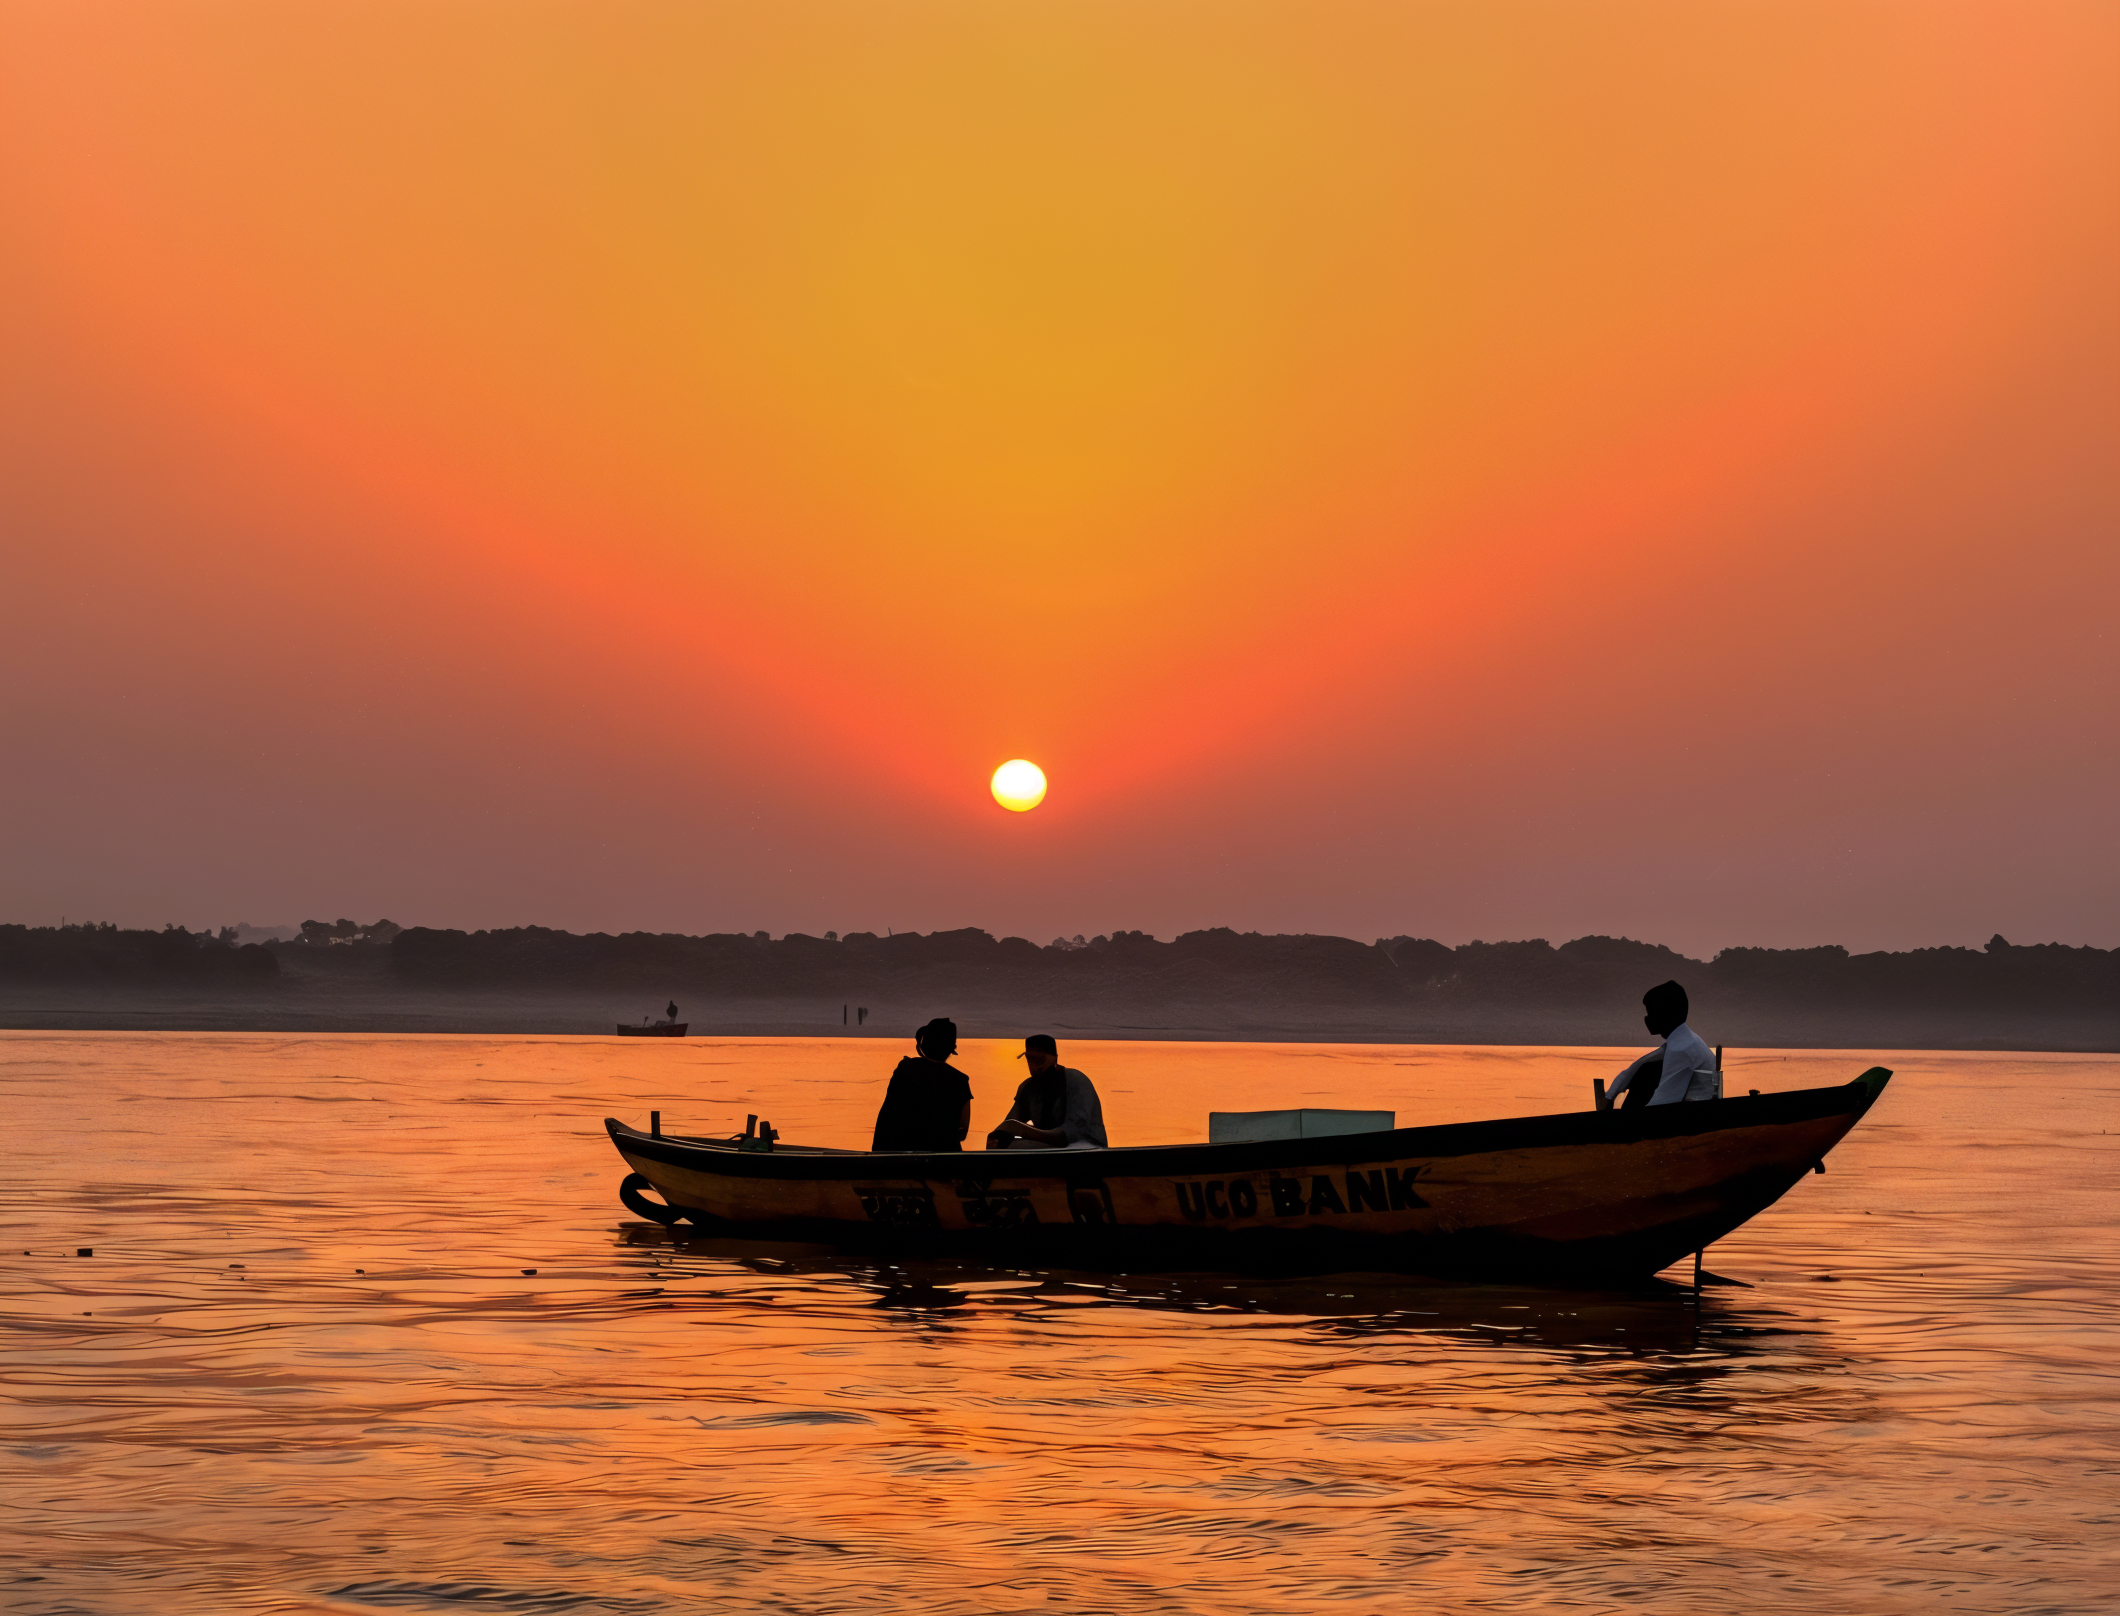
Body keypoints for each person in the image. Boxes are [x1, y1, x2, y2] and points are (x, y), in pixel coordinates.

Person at [1606, 980, 1720, 1109]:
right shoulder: (1684, 1039)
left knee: (1647, 1073)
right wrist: (1610, 1095)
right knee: (1646, 1068)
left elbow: (1665, 1099)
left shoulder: (1681, 1049)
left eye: (1650, 1013)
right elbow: (1641, 1063)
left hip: (1697, 1113)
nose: (1647, 1019)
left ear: (1665, 1014)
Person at [986, 1034, 1108, 1149]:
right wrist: (998, 1137)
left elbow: (1073, 1131)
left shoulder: (1076, 1081)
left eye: (1040, 1060)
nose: (1035, 1067)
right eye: (1030, 1059)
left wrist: (1025, 1131)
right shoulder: (1028, 1088)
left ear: (1054, 1058)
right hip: (1050, 1145)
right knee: (1005, 1147)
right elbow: (1012, 1122)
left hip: (1086, 1144)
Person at [871, 1017, 973, 1152]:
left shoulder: (905, 1069)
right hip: (944, 1160)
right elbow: (962, 1131)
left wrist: (877, 1156)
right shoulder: (960, 1080)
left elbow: (886, 1118)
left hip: (903, 1156)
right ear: (951, 1049)